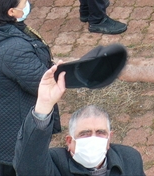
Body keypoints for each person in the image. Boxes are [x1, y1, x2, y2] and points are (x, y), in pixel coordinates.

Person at [0, 0, 57, 176]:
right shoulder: (13, 49)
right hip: (10, 129)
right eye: (24, 3)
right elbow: (42, 85)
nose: (28, 5)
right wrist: (57, 71)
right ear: (11, 12)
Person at [17, 64, 146, 175]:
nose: (93, 139)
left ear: (109, 139)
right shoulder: (55, 164)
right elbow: (28, 164)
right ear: (69, 141)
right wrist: (44, 105)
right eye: (85, 133)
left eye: (100, 133)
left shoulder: (130, 159)